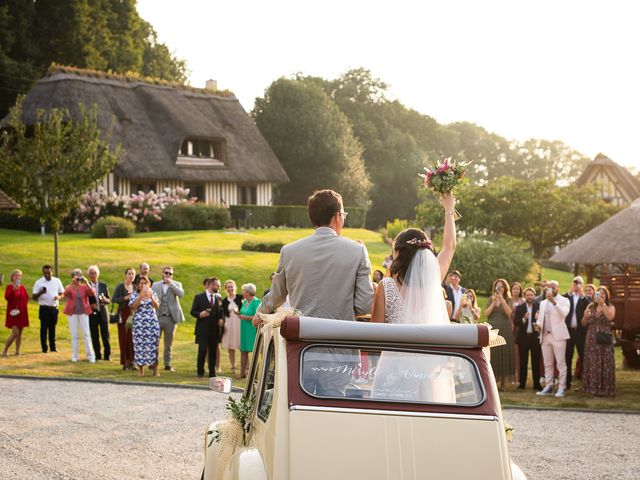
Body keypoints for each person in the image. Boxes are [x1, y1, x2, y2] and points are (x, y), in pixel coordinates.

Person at [256, 189, 375, 396]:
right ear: (337, 216)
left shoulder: (290, 251)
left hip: (301, 346)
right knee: (332, 411)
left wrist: (260, 313)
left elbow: (276, 296)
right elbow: (365, 305)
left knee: (296, 408)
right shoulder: (357, 251)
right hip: (340, 349)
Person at [369, 194, 457, 401]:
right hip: (426, 374)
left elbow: (373, 334)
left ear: (399, 253)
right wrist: (449, 208)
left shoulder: (386, 286)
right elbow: (449, 246)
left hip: (392, 371)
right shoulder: (433, 282)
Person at [535, 280, 571, 398]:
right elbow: (541, 318)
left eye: (554, 287)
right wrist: (538, 325)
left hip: (559, 336)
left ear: (558, 289)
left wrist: (554, 302)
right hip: (545, 336)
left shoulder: (564, 300)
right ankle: (548, 386)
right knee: (547, 363)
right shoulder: (543, 303)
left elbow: (564, 314)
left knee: (561, 363)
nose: (551, 289)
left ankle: (561, 387)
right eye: (549, 288)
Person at [581, 286, 616, 396]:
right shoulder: (591, 307)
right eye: (598, 294)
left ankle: (605, 389)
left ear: (606, 296)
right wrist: (585, 317)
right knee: (592, 362)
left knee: (604, 362)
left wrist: (602, 304)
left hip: (604, 338)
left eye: (603, 294)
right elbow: (583, 323)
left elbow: (610, 317)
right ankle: (591, 387)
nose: (600, 296)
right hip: (591, 338)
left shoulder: (610, 306)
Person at [151, 266, 185, 372]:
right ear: (162, 273)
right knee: (155, 341)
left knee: (168, 343)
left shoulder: (177, 284)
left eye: (170, 274)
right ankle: (153, 363)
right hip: (158, 316)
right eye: (166, 273)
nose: (168, 275)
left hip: (171, 318)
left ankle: (167, 364)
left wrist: (171, 284)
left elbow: (181, 294)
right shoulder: (156, 285)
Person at [190, 277, 224, 378]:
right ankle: (200, 371)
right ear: (210, 285)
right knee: (202, 351)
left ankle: (212, 372)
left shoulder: (218, 298)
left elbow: (221, 311)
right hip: (202, 330)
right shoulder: (199, 297)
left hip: (214, 330)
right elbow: (192, 311)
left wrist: (222, 319)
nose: (219, 287)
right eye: (217, 285)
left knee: (213, 352)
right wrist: (200, 314)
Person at [484, 278, 514, 391]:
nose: (499, 288)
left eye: (501, 286)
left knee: (503, 353)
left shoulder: (508, 299)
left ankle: (503, 383)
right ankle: (493, 381)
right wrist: (493, 303)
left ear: (505, 288)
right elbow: (486, 313)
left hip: (505, 328)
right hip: (493, 328)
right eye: (497, 286)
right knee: (494, 354)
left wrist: (502, 300)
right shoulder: (491, 298)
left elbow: (509, 313)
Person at [129, 275, 160, 377]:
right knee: (139, 346)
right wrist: (140, 296)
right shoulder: (134, 295)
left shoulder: (153, 293)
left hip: (152, 323)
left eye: (145, 283)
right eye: (141, 283)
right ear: (137, 285)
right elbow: (134, 307)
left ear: (149, 284)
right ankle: (141, 370)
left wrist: (150, 297)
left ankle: (155, 369)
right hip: (139, 325)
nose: (143, 285)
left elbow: (157, 306)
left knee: (154, 346)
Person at [62, 269, 96, 362]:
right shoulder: (69, 286)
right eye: (75, 275)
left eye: (79, 275)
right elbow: (65, 294)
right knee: (74, 335)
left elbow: (92, 293)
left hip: (83, 312)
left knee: (86, 334)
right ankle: (75, 356)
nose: (77, 277)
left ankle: (90, 355)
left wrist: (86, 282)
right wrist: (72, 284)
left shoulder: (84, 286)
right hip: (72, 313)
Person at [563, 276, 590, 390]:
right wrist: (571, 290)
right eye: (575, 282)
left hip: (580, 332)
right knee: (567, 357)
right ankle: (567, 383)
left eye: (579, 283)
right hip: (568, 331)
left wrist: (581, 293)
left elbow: (590, 306)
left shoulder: (585, 298)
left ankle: (587, 383)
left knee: (584, 357)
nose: (576, 285)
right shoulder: (566, 296)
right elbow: (560, 300)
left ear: (582, 285)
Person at [513, 287, 542, 390]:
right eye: (527, 295)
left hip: (535, 338)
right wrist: (524, 319)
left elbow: (543, 322)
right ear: (525, 296)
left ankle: (537, 384)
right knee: (523, 362)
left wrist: (539, 321)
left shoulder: (539, 307)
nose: (529, 297)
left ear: (534, 296)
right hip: (523, 338)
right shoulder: (520, 308)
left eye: (531, 295)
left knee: (535, 362)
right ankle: (522, 384)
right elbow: (516, 322)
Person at [32, 265, 64, 353]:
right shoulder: (39, 282)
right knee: (44, 328)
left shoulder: (56, 281)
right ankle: (44, 348)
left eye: (49, 273)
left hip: (54, 308)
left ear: (51, 272)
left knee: (52, 328)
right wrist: (40, 293)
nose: (47, 275)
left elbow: (62, 293)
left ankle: (53, 347)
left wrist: (58, 297)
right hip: (44, 308)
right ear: (43, 273)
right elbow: (34, 297)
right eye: (45, 273)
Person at [112, 268, 136, 370]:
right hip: (122, 314)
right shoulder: (120, 287)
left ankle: (132, 361)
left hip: (132, 315)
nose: (131, 276)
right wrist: (125, 298)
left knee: (132, 339)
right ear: (125, 275)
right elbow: (114, 299)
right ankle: (124, 362)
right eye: (129, 274)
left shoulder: (135, 287)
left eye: (133, 274)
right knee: (123, 338)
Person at [2, 269, 29, 357]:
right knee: (15, 332)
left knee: (20, 333)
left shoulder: (23, 287)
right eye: (15, 275)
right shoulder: (9, 287)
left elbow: (26, 298)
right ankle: (5, 350)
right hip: (12, 313)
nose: (17, 277)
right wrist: (14, 289)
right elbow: (7, 297)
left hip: (21, 312)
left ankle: (17, 351)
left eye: (19, 275)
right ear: (12, 277)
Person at [86, 265, 111, 361]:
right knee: (94, 335)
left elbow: (109, 299)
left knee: (105, 335)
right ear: (88, 275)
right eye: (91, 273)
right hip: (92, 314)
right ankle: (97, 355)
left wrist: (105, 299)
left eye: (95, 273)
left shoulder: (103, 285)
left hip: (103, 313)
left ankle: (107, 355)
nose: (93, 275)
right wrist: (90, 305)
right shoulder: (86, 286)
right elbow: (83, 300)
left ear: (98, 274)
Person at [239, 283, 260, 378]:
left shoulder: (256, 302)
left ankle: (254, 375)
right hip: (244, 329)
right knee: (243, 351)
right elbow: (242, 312)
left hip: (252, 330)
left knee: (254, 353)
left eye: (244, 290)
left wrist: (246, 317)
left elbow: (258, 317)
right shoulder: (244, 302)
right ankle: (242, 373)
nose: (242, 292)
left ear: (249, 292)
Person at [221, 279, 242, 374]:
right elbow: (223, 314)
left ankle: (246, 366)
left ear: (235, 287)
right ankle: (233, 366)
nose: (230, 288)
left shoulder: (240, 297)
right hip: (229, 323)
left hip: (239, 322)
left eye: (231, 286)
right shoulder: (224, 301)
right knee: (231, 346)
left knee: (242, 345)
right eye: (228, 287)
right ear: (225, 289)